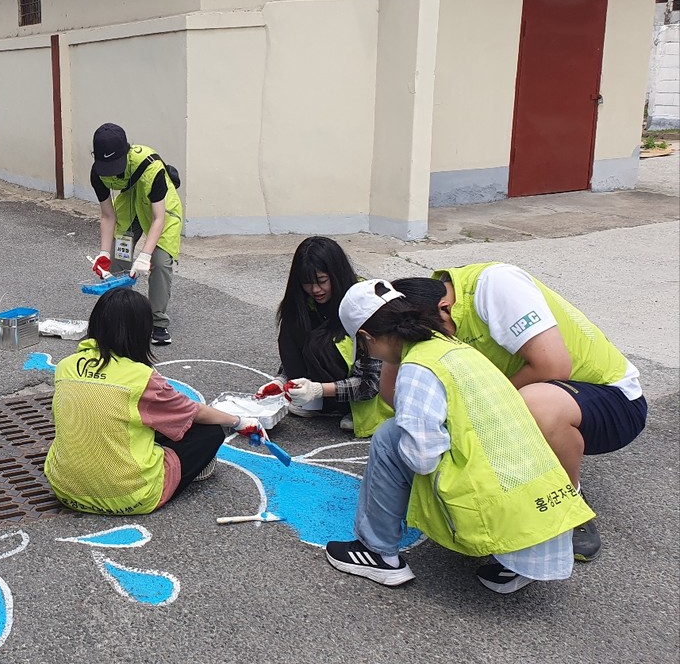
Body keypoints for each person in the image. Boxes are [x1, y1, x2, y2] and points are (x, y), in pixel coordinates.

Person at [325, 279, 593, 594]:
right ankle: (512, 563)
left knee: (389, 436)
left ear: (367, 337)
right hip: (543, 513)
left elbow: (422, 458)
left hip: (496, 517)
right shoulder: (455, 348)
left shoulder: (418, 368)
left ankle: (377, 552)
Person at [391, 264, 646, 562]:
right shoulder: (418, 310)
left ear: (445, 309)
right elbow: (393, 391)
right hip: (547, 395)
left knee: (535, 405)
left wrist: (477, 409)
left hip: (612, 401)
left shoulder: (496, 285)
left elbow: (553, 366)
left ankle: (570, 503)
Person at [43, 288, 264, 515]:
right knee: (210, 433)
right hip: (130, 496)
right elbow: (193, 412)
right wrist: (239, 421)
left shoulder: (65, 366)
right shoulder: (142, 378)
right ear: (141, 331)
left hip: (65, 490)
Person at [257, 237, 391, 436]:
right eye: (307, 283)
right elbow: (295, 348)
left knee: (320, 344)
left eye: (321, 281)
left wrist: (318, 390)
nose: (315, 290)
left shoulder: (364, 302)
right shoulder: (306, 301)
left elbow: (371, 383)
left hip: (368, 393)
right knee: (293, 318)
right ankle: (318, 402)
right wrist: (281, 380)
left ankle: (347, 407)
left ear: (336, 274)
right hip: (326, 387)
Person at [88, 123, 184, 346]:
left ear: (127, 151)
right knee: (118, 260)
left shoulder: (152, 167)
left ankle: (158, 323)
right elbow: (108, 216)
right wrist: (103, 254)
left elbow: (158, 218)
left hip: (161, 209)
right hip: (130, 206)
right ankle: (121, 317)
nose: (111, 171)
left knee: (160, 262)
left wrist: (145, 255)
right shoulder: (97, 173)